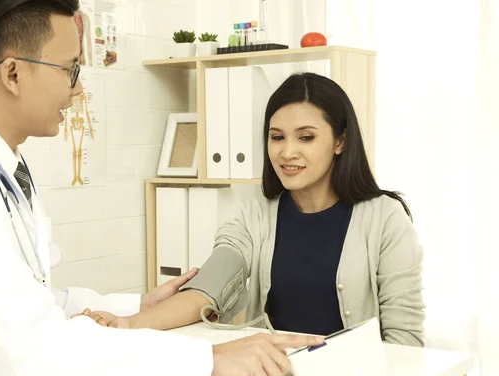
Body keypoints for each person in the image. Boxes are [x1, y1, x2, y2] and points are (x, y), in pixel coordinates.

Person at [0, 0, 323, 376]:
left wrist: (134, 303)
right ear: (13, 74)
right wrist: (207, 359)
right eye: (70, 70)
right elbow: (22, 345)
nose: (77, 90)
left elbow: (27, 302)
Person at [86, 72, 426, 347]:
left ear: (340, 141)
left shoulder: (386, 219)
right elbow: (208, 289)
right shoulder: (254, 217)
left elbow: (404, 340)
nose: (287, 152)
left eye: (306, 137)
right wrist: (127, 324)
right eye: (277, 137)